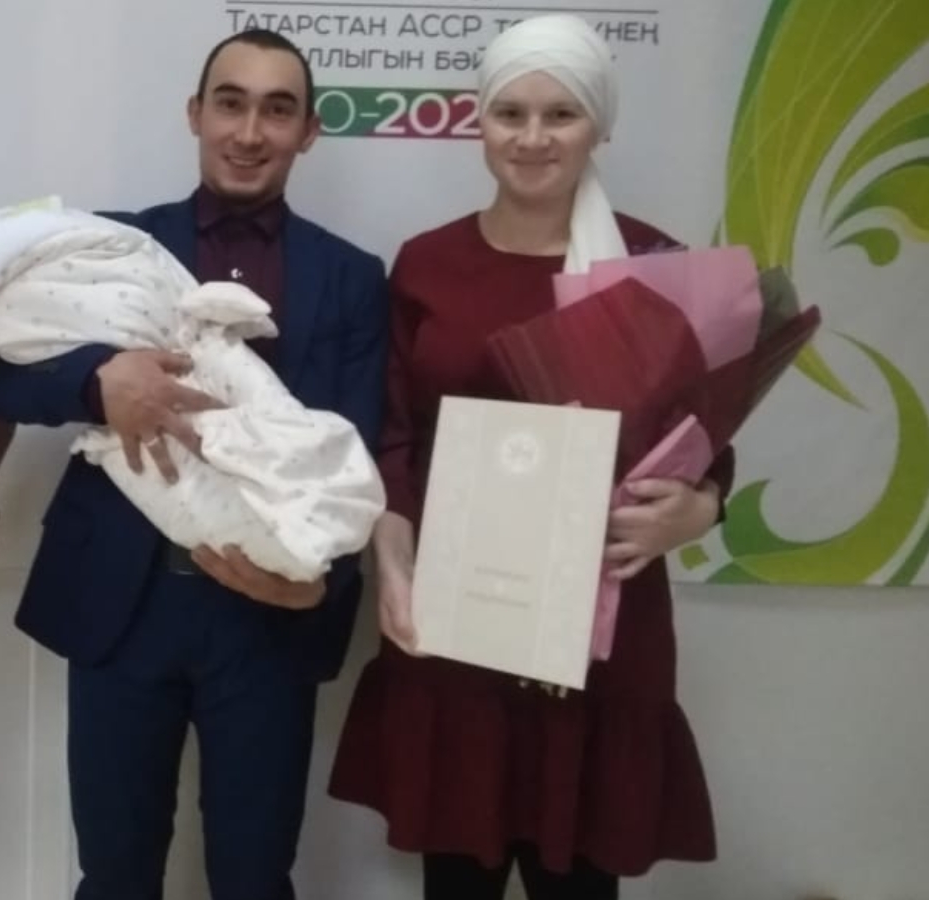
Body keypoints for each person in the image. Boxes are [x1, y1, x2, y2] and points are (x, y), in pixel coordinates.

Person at [327, 15, 735, 900]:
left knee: (578, 880)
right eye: (510, 114)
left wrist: (699, 507)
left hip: (600, 627)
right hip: (454, 613)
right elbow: (393, 437)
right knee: (457, 880)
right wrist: (391, 559)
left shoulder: (653, 265)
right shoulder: (427, 264)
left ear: (600, 126)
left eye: (561, 114)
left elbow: (704, 441)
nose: (533, 138)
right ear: (479, 122)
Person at [0, 29, 388, 900]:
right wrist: (96, 382)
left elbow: (357, 452)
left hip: (269, 615)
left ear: (309, 130)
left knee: (255, 876)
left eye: (278, 110)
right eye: (230, 103)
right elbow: (1, 376)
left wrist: (319, 589)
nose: (250, 132)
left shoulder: (352, 277)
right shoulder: (112, 243)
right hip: (124, 605)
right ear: (196, 114)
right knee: (114, 874)